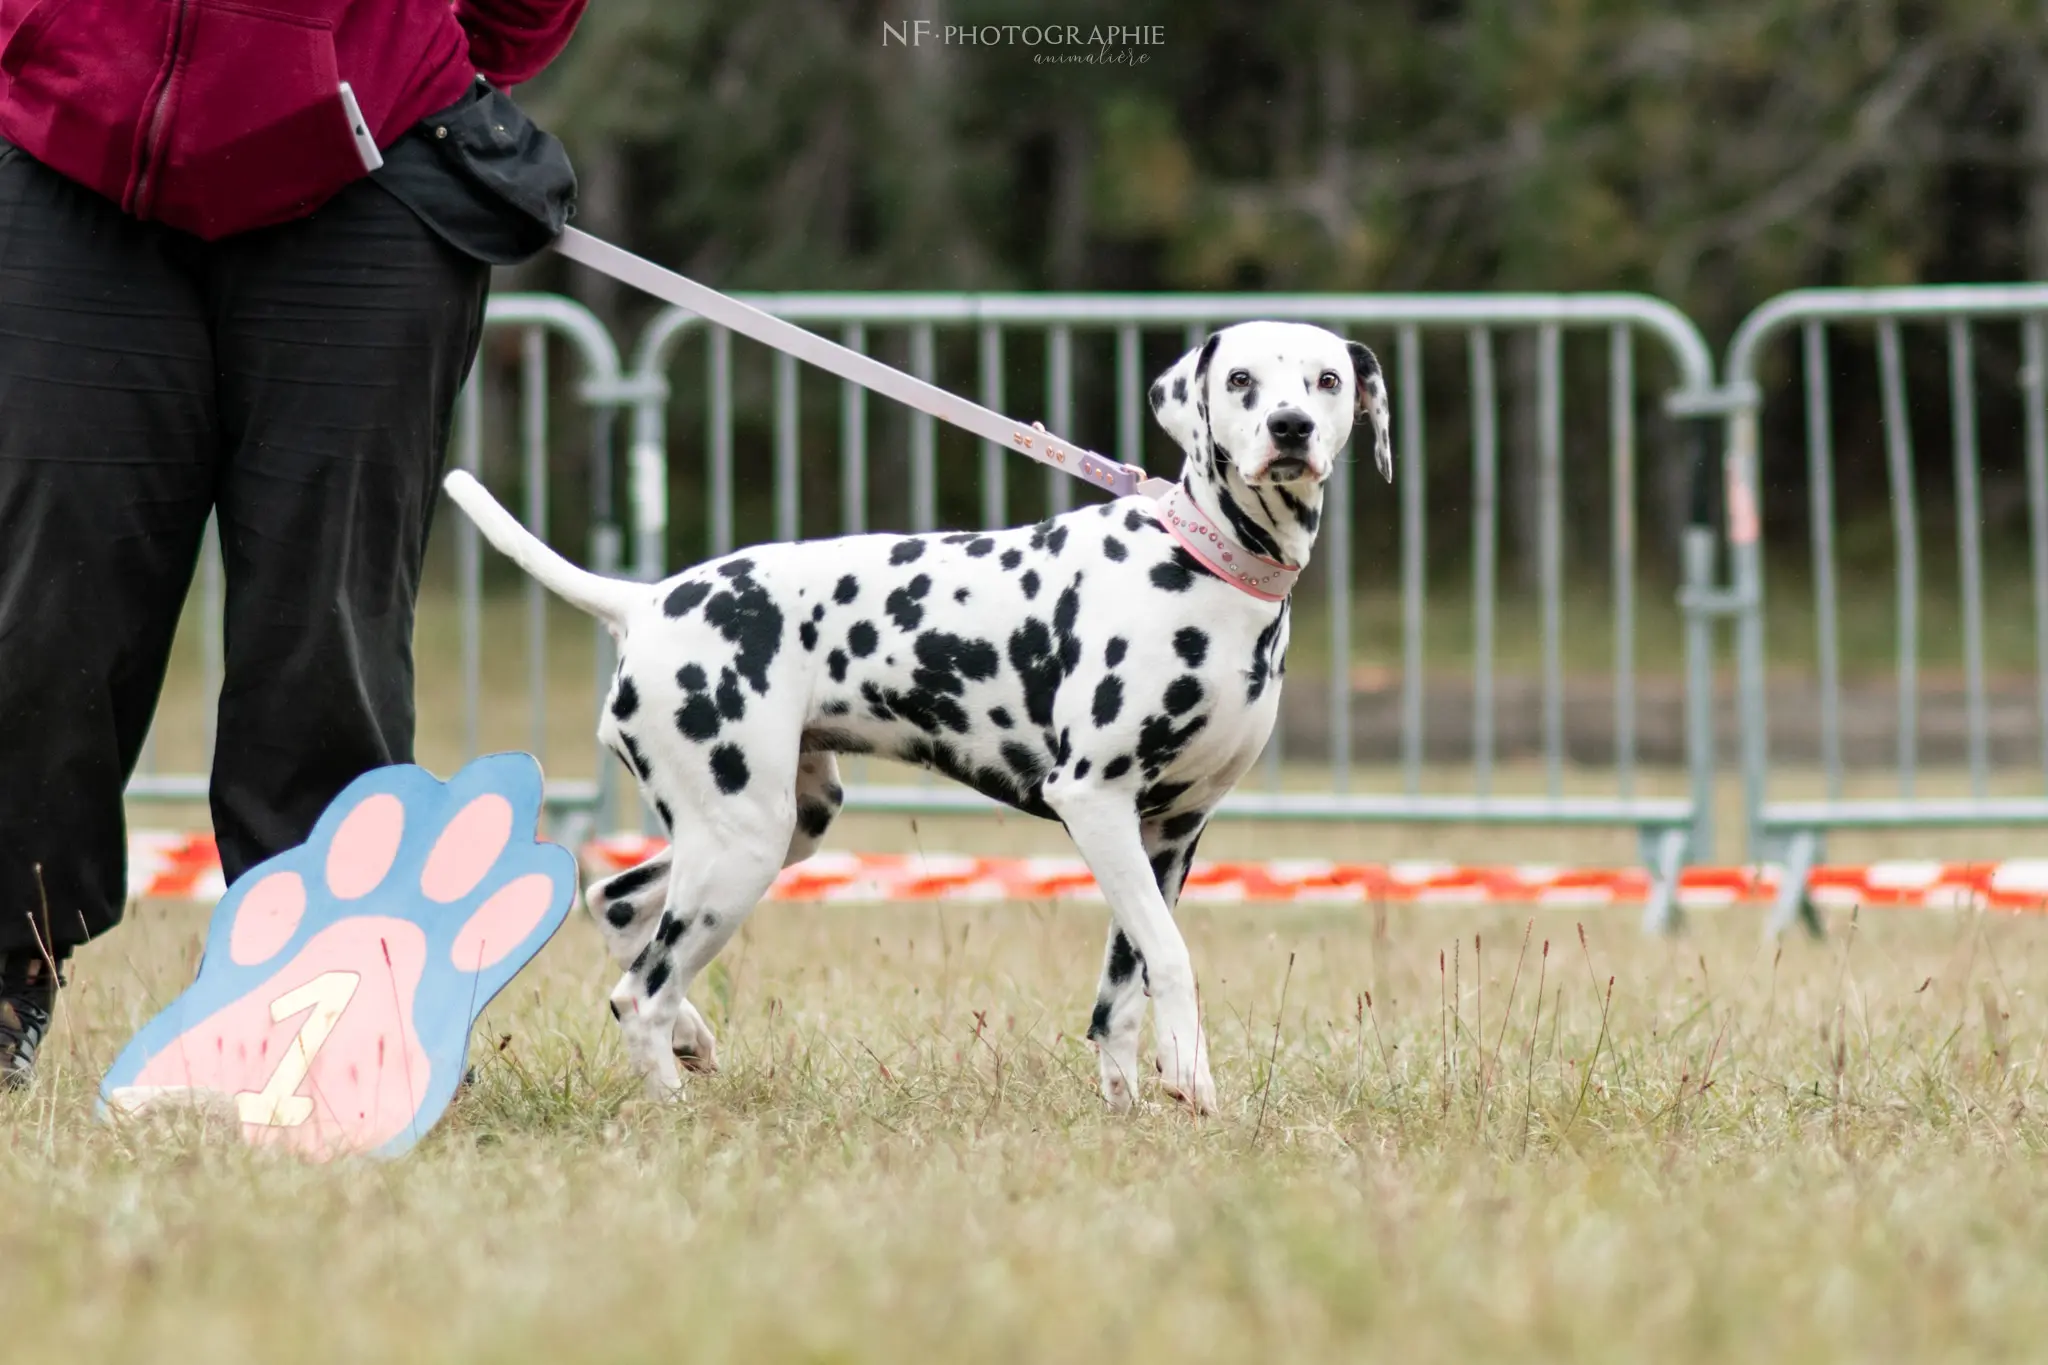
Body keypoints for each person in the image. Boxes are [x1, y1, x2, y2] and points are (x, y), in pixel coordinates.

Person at [0, 0, 588, 1087]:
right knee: (39, 611)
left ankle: (327, 1002)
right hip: (65, 150)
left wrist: (399, 56)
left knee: (326, 627)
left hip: (372, 167)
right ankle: (4, 974)